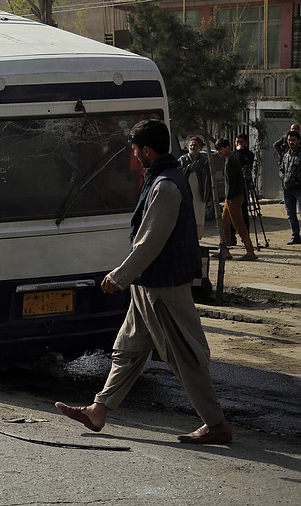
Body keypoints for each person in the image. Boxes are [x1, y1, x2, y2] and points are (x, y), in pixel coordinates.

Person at [54, 119, 233, 444]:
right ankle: (99, 409)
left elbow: (149, 243)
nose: (133, 158)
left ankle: (216, 424)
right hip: (147, 287)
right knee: (127, 349)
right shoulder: (159, 179)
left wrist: (119, 277)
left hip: (162, 289)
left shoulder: (165, 186)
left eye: (136, 151)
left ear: (147, 151)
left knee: (185, 358)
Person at [217, 138, 258, 261]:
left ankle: (250, 251)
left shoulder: (231, 161)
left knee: (239, 224)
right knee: (224, 222)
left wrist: (229, 198)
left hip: (233, 198)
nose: (219, 151)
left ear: (227, 147)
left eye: (221, 148)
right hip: (230, 198)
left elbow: (233, 183)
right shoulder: (230, 160)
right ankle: (226, 250)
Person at [177, 135, 210, 238]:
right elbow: (178, 173)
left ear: (200, 147)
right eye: (191, 145)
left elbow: (209, 178)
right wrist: (189, 168)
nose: (192, 147)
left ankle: (197, 238)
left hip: (199, 192)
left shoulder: (204, 161)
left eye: (195, 145)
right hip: (186, 192)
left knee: (198, 217)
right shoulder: (182, 160)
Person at [280, 130, 301, 245]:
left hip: (299, 188)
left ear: (298, 141)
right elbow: (281, 169)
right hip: (287, 189)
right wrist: (283, 178)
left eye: (293, 140)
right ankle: (295, 235)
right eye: (289, 140)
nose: (291, 142)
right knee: (291, 214)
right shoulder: (286, 155)